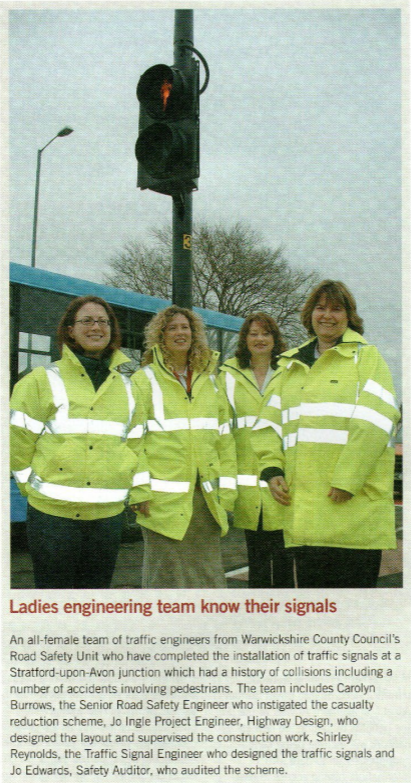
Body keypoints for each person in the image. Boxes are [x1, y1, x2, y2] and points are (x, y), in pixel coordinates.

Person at [251, 280, 400, 588]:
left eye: (336, 308)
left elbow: (377, 422)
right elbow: (267, 424)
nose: (327, 315)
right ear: (310, 314)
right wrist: (272, 469)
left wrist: (348, 479)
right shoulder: (290, 365)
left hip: (353, 511)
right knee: (317, 613)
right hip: (305, 516)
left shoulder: (367, 359)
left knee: (354, 618)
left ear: (349, 317)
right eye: (320, 308)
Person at [10, 295, 146, 589]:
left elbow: (137, 444)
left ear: (111, 330)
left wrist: (128, 482)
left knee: (94, 604)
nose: (96, 327)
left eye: (103, 321)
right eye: (86, 320)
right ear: (70, 330)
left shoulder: (130, 386)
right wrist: (30, 486)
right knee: (54, 605)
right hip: (52, 517)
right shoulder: (40, 380)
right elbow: (15, 442)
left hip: (108, 518)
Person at [130, 305, 237, 588]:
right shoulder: (143, 380)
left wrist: (227, 492)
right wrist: (139, 490)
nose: (180, 333)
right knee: (164, 577)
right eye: (172, 328)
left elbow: (225, 440)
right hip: (160, 502)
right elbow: (133, 441)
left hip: (206, 500)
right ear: (160, 336)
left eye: (185, 327)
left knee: (207, 576)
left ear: (195, 334)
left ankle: (206, 629)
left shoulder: (212, 382)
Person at [219, 313, 295, 588]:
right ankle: (259, 619)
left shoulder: (290, 372)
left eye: (266, 333)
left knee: (286, 558)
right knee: (258, 561)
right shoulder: (228, 374)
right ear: (244, 339)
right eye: (253, 334)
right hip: (248, 481)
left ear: (275, 339)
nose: (260, 339)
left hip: (284, 476)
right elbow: (221, 426)